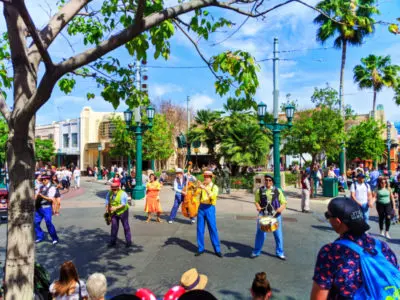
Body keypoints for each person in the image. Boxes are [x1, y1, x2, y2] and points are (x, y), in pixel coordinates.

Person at [311, 196, 399, 299]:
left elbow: (319, 296)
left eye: (328, 215)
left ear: (337, 221)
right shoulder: (382, 246)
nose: (328, 219)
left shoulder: (331, 252)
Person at [251, 174, 287, 260]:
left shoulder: (278, 190)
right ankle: (256, 251)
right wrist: (258, 207)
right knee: (260, 234)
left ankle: (280, 252)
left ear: (272, 182)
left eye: (269, 180)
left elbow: (284, 203)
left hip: (275, 216)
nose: (268, 182)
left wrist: (280, 209)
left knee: (278, 235)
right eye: (266, 180)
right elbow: (256, 201)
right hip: (263, 215)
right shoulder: (259, 191)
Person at [195, 170, 222, 258]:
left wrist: (204, 188)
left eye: (207, 177)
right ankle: (200, 248)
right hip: (201, 207)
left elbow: (212, 196)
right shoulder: (203, 186)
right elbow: (195, 194)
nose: (205, 178)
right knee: (200, 229)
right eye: (205, 176)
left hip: (210, 208)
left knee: (213, 229)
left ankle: (217, 249)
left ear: (211, 178)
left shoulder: (215, 187)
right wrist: (196, 187)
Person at [34, 174, 59, 244]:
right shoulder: (41, 187)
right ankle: (40, 236)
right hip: (38, 207)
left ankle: (54, 238)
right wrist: (35, 196)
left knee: (48, 222)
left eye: (43, 180)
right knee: (35, 222)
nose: (42, 181)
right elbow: (36, 195)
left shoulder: (52, 187)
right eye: (41, 180)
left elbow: (51, 199)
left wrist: (42, 196)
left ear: (47, 180)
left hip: (47, 208)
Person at [105, 183, 132, 247]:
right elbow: (107, 202)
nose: (114, 191)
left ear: (118, 188)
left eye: (115, 189)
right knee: (114, 227)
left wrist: (115, 208)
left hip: (123, 211)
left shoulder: (123, 194)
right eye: (113, 189)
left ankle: (128, 242)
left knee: (125, 226)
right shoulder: (109, 193)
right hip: (114, 212)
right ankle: (113, 241)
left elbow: (123, 204)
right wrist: (107, 213)